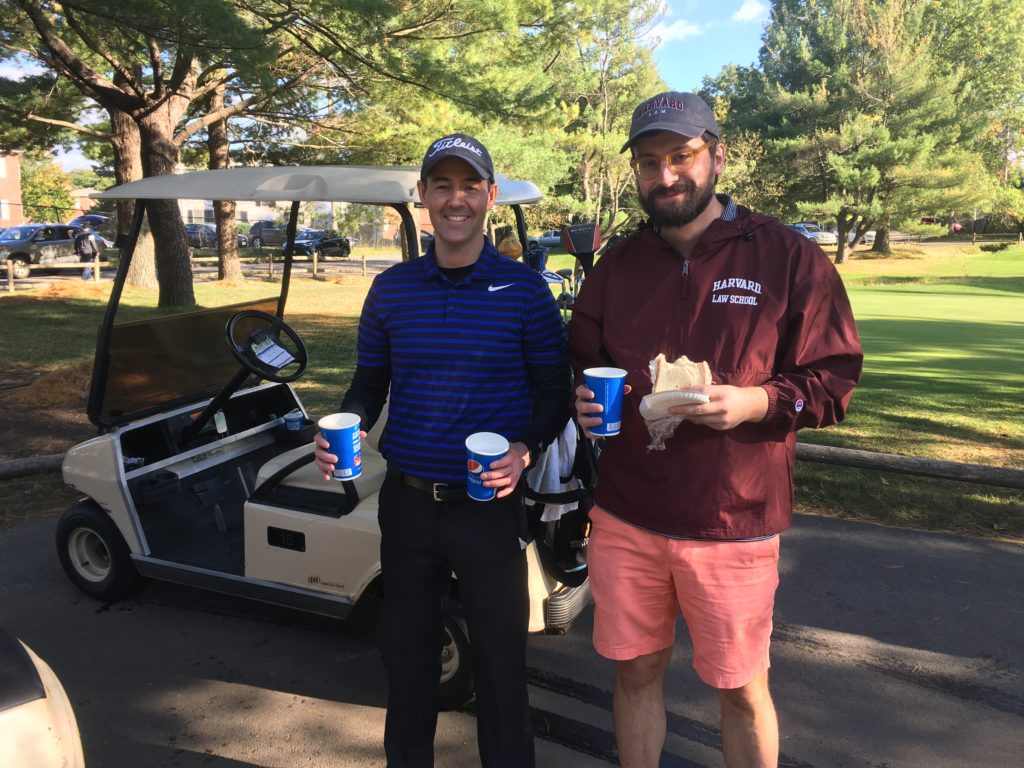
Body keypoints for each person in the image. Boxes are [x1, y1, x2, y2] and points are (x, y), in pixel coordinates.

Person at [569, 91, 863, 768]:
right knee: (635, 673)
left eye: (681, 156)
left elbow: (836, 376)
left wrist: (757, 402)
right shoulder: (618, 264)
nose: (665, 175)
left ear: (717, 157)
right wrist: (581, 397)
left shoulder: (787, 258)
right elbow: (581, 356)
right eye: (649, 162)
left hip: (733, 521)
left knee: (741, 690)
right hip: (627, 516)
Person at [314, 133, 570, 767]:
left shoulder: (525, 291)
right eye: (442, 186)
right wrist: (347, 423)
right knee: (406, 661)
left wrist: (527, 448)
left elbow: (554, 393)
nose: (456, 200)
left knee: (502, 667)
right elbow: (370, 381)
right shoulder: (392, 290)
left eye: (469, 186)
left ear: (489, 195)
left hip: (488, 507)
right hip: (408, 507)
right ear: (424, 196)